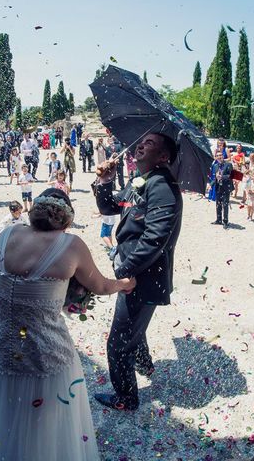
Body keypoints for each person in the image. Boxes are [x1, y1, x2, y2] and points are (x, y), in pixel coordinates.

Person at [0, 189, 135, 461]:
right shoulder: (71, 245)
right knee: (46, 429)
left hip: (3, 353)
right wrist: (124, 284)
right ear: (66, 219)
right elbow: (101, 286)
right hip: (48, 358)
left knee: (7, 420)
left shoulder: (5, 235)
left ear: (33, 213)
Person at [94, 132, 182, 411]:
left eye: (151, 143)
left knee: (118, 345)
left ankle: (126, 398)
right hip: (133, 273)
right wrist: (106, 182)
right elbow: (110, 206)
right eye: (141, 141)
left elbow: (156, 237)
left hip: (142, 277)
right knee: (134, 325)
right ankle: (143, 362)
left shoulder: (163, 187)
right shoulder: (139, 181)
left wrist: (124, 270)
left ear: (164, 157)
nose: (141, 144)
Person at [210, 150, 233, 229]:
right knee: (218, 204)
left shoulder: (228, 164)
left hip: (226, 187)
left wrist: (222, 177)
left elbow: (231, 176)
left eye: (221, 155)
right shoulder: (215, 166)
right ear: (216, 158)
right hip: (218, 187)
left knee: (225, 205)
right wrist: (210, 185)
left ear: (223, 156)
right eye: (218, 156)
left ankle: (225, 221)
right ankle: (218, 220)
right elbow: (215, 178)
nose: (219, 157)